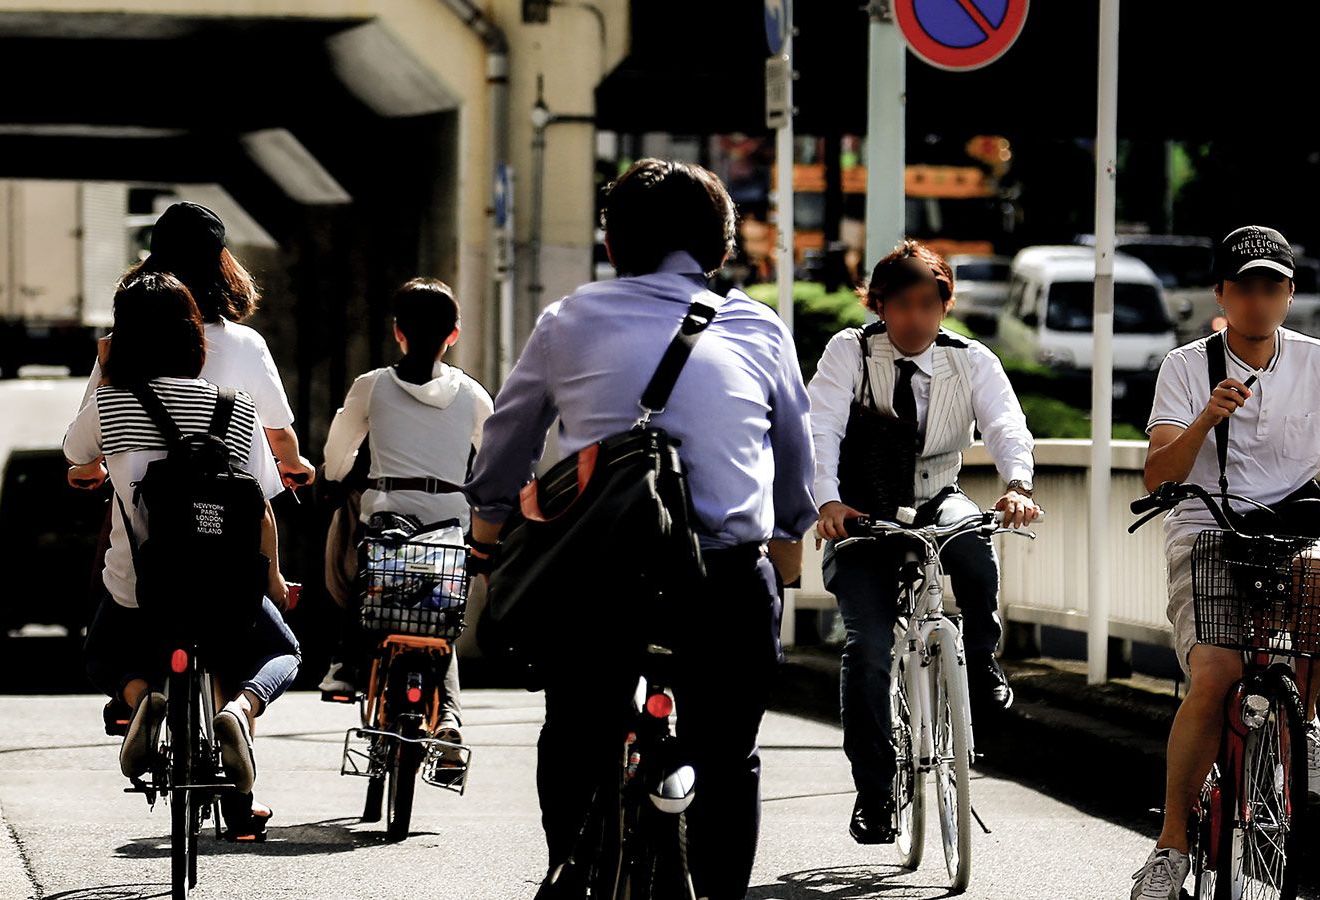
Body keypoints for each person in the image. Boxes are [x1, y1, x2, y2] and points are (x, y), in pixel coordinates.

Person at [463, 158, 817, 900]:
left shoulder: (569, 320)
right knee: (728, 757)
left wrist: (487, 538)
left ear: (613, 243)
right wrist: (784, 543)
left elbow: (508, 443)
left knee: (576, 729)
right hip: (723, 576)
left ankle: (570, 864)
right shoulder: (758, 326)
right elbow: (796, 464)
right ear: (720, 246)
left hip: (597, 574)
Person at [1130, 226, 1320, 899]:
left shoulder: (1319, 361)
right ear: (1222, 294)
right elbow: (1157, 476)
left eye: (1273, 286)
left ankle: (1306, 718)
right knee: (1216, 675)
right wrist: (1206, 418)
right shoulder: (1187, 366)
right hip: (1207, 529)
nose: (1259, 300)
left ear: (1290, 294)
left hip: (1290, 530)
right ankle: (1171, 844)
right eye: (1245, 286)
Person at [807, 239, 1040, 845]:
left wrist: (1016, 485)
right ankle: (875, 791)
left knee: (973, 543)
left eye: (928, 305)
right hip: (861, 511)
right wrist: (828, 502)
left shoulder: (971, 360)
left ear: (945, 305)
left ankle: (982, 659)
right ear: (879, 306)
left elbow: (1006, 425)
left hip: (938, 494)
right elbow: (822, 428)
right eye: (900, 305)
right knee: (867, 648)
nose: (915, 319)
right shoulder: (850, 353)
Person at [64, 272, 301, 842]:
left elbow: (75, 454)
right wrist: (270, 576)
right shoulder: (234, 407)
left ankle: (144, 699)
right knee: (282, 650)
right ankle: (239, 712)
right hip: (226, 590)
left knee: (100, 653)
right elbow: (254, 507)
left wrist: (106, 370)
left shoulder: (112, 400)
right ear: (195, 338)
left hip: (143, 592)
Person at [317, 277, 494, 772]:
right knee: (440, 622)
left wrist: (333, 478)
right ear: (453, 335)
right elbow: (498, 457)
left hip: (388, 516)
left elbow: (338, 455)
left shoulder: (371, 387)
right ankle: (450, 716)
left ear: (398, 333)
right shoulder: (472, 395)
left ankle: (347, 665)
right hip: (448, 527)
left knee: (366, 569)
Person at [69, 202, 314, 493]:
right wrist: (293, 463)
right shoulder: (247, 344)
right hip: (228, 519)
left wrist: (90, 468)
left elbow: (93, 431)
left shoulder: (123, 341)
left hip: (143, 521)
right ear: (222, 267)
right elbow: (278, 432)